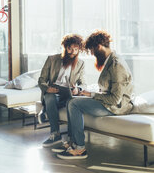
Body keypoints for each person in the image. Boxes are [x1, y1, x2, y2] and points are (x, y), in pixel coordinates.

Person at [56, 30, 134, 159]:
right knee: (73, 99)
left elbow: (115, 99)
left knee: (74, 104)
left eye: (92, 51)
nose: (92, 54)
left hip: (116, 107)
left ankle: (80, 149)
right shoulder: (110, 60)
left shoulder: (116, 65)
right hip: (107, 102)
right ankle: (74, 142)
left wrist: (92, 95)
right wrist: (87, 93)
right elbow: (108, 89)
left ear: (99, 47)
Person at [38, 34, 86, 147]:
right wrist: (47, 88)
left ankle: (71, 138)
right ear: (65, 47)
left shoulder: (81, 64)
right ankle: (55, 134)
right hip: (53, 92)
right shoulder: (52, 59)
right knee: (49, 97)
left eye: (76, 49)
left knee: (72, 102)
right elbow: (41, 80)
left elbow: (83, 83)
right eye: (70, 48)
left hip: (68, 94)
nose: (73, 52)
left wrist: (78, 89)